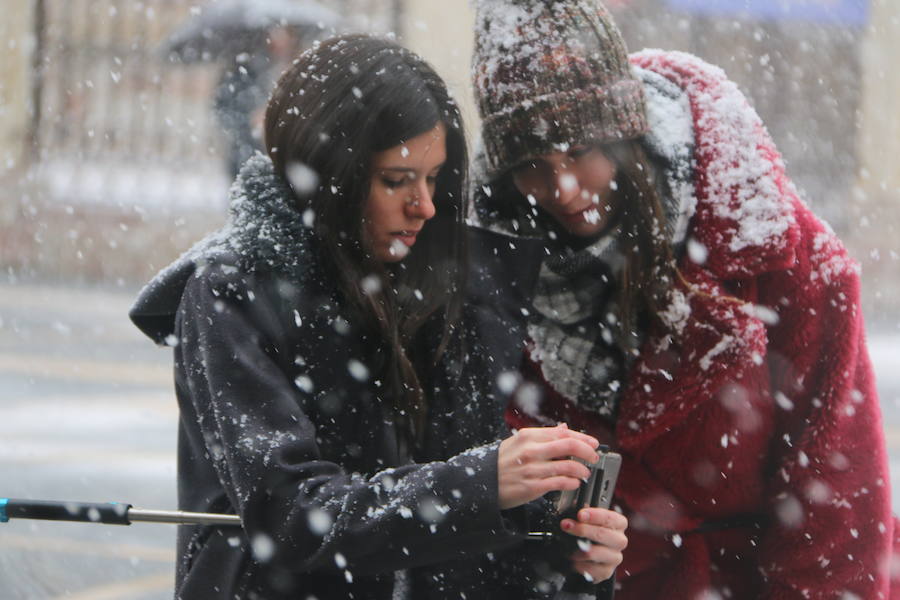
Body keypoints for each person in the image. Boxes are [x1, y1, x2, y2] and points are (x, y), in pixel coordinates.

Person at [130, 34, 626, 599]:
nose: (425, 205)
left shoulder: (447, 284)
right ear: (330, 171)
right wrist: (480, 485)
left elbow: (453, 538)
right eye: (396, 180)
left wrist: (570, 564)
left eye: (435, 178)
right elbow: (292, 516)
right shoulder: (229, 294)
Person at [468, 0, 900, 598]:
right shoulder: (492, 278)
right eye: (533, 166)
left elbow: (837, 515)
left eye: (580, 151)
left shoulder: (789, 261)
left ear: (626, 132)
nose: (561, 187)